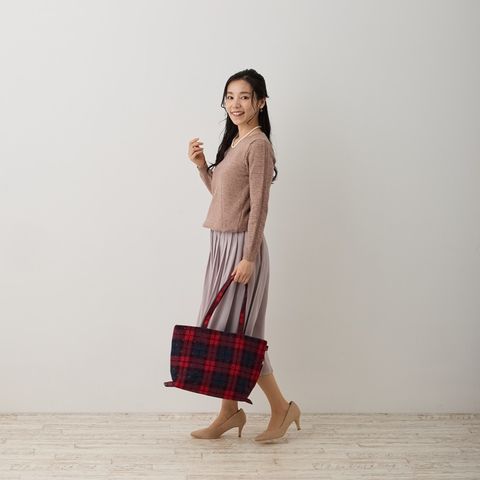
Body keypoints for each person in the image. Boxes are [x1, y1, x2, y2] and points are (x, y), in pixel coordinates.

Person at [186, 69, 301, 442]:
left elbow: (259, 206)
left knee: (241, 335)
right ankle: (229, 412)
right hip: (221, 245)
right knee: (223, 333)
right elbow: (225, 199)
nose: (235, 104)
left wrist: (249, 256)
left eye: (245, 97)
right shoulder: (235, 142)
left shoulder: (258, 145)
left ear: (260, 102)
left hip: (241, 247)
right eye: (230, 97)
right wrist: (202, 166)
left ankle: (282, 408)